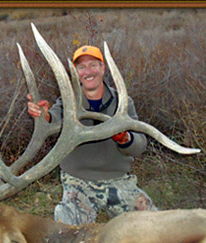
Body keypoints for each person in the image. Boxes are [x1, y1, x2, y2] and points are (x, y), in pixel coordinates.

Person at [27, 45, 157, 225]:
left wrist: (125, 139)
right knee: (67, 231)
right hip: (78, 181)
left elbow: (140, 145)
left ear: (103, 68)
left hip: (117, 180)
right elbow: (55, 119)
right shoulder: (68, 101)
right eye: (81, 67)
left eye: (93, 65)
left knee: (153, 225)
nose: (88, 71)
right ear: (76, 72)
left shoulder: (123, 102)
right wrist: (44, 115)